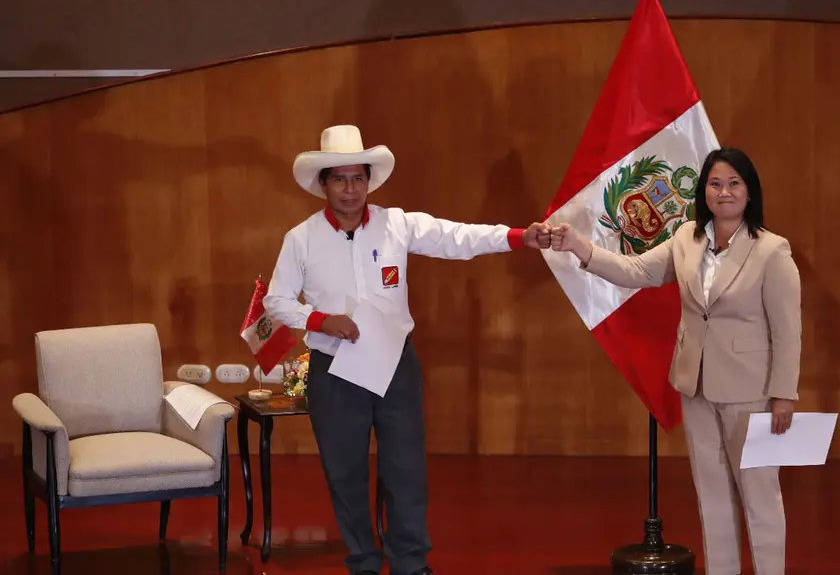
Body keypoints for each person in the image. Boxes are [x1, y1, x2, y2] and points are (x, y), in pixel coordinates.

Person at [263, 124, 551, 575]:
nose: (350, 189)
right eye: (339, 179)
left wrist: (517, 237)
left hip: (395, 365)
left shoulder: (397, 224)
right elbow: (276, 301)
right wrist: (320, 320)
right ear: (323, 184)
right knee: (345, 472)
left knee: (406, 470)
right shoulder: (301, 238)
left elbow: (456, 238)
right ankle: (363, 561)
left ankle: (411, 563)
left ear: (369, 181)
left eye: (358, 178)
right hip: (334, 370)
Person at [550, 147, 801, 575]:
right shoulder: (687, 238)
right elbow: (635, 271)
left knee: (759, 496)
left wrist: (784, 395)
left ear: (750, 191)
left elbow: (788, 329)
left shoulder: (771, 250)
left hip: (751, 392)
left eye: (734, 183)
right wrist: (578, 246)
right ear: (704, 191)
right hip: (695, 385)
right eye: (715, 184)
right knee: (712, 496)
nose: (724, 192)